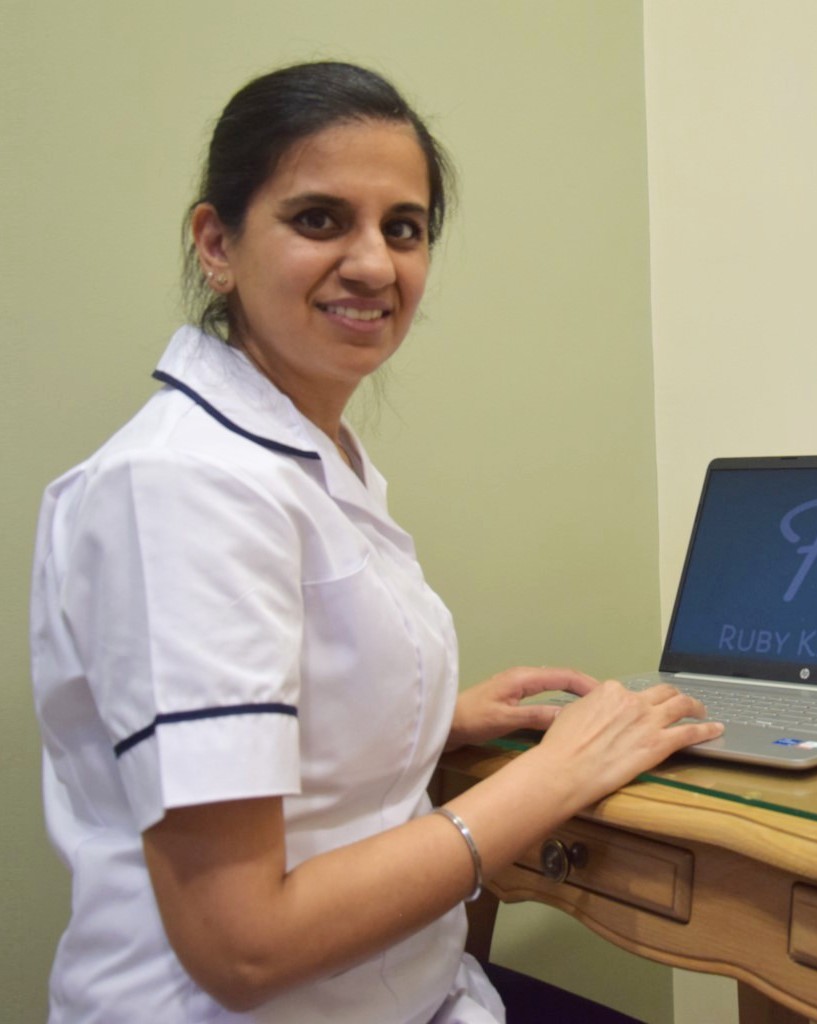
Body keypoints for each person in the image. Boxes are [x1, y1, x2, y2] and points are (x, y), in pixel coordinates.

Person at [29, 61, 723, 1024]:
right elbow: (243, 944)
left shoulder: (304, 455)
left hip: (401, 991)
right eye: (319, 219)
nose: (373, 263)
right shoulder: (183, 488)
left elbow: (261, 726)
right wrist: (556, 775)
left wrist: (426, 715)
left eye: (403, 228)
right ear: (216, 242)